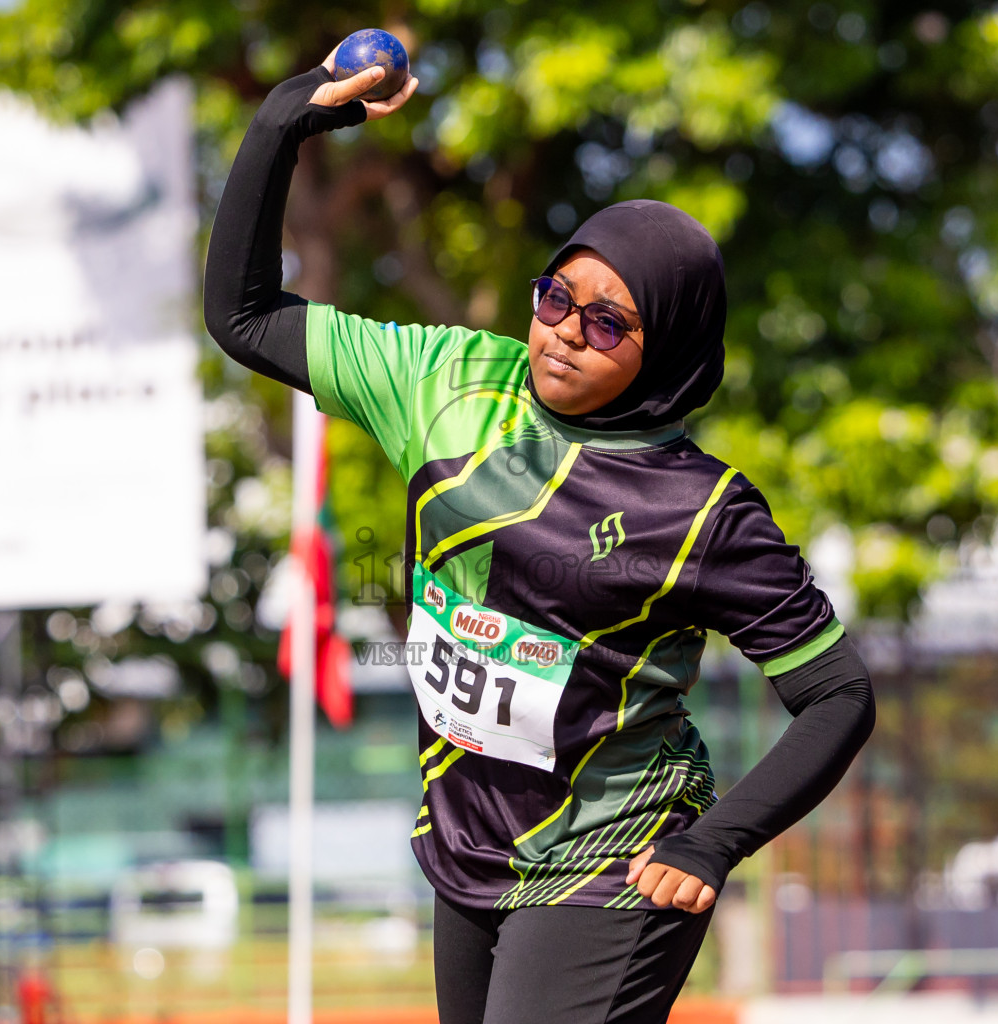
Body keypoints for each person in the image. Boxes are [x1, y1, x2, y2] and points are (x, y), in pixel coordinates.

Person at [205, 53, 876, 1024]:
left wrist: (712, 843)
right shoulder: (444, 381)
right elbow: (245, 313)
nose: (563, 331)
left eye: (608, 323)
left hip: (615, 848)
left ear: (669, 350)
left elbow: (836, 694)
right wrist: (279, 127)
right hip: (468, 837)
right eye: (554, 298)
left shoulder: (703, 511)